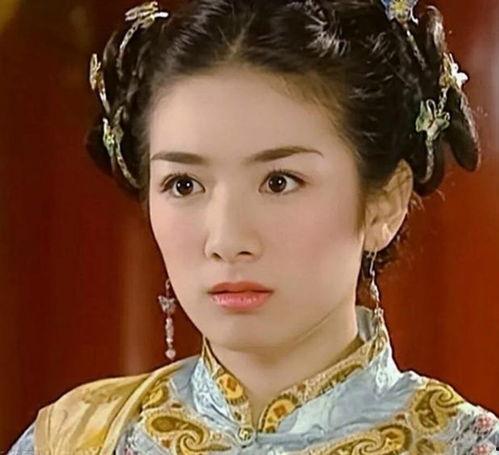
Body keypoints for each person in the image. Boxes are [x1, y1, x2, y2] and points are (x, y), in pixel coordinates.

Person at [8, 0, 499, 453]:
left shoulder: (460, 445)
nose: (227, 240)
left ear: (382, 204)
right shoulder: (76, 439)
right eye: (184, 185)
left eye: (279, 182)